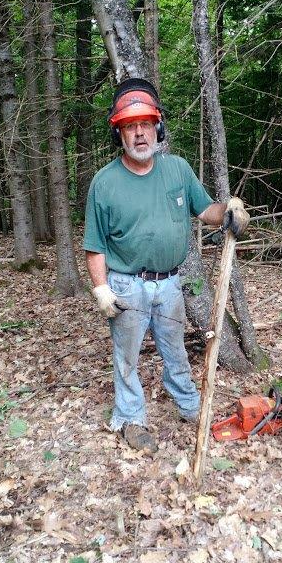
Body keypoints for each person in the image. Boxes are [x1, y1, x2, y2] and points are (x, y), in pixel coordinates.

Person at [83, 78, 249, 454]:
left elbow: (206, 210)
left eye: (145, 124)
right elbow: (94, 246)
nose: (139, 134)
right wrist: (101, 289)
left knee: (174, 349)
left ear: (158, 127)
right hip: (126, 285)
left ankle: (190, 405)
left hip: (171, 283)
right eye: (130, 126)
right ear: (119, 134)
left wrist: (230, 209)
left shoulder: (177, 169)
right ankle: (130, 418)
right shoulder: (104, 183)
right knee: (126, 357)